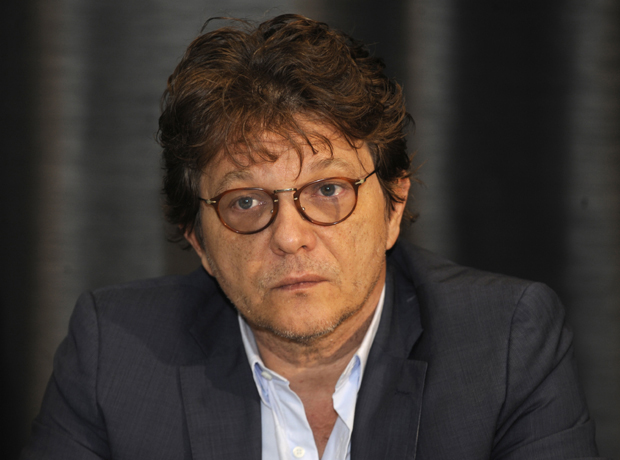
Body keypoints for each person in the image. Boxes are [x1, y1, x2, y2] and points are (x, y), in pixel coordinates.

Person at [22, 14, 602, 460]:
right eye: (246, 202)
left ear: (394, 206)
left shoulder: (504, 345)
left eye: (327, 190)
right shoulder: (114, 355)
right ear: (198, 242)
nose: (290, 237)